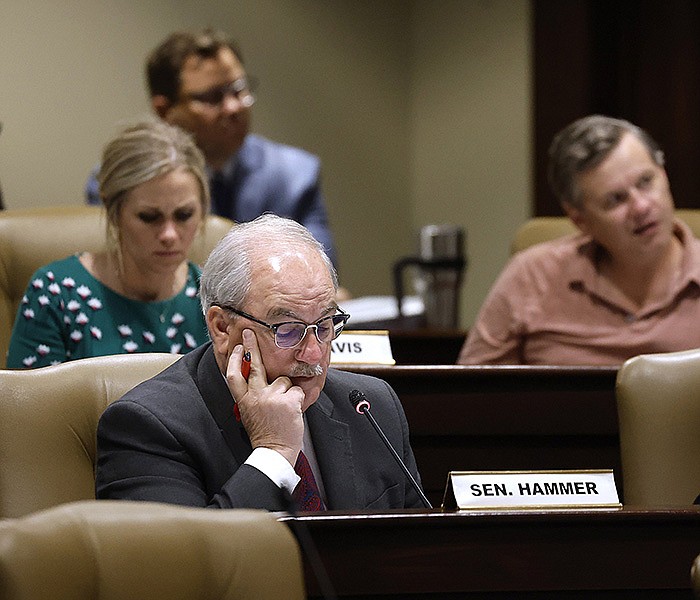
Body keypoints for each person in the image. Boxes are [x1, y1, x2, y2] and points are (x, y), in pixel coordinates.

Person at [95, 214, 425, 511]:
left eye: (324, 326)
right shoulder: (148, 427)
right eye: (287, 330)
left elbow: (419, 553)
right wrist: (274, 453)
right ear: (222, 327)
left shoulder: (372, 409)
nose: (312, 353)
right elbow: (180, 569)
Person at [84, 28, 338, 269]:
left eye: (239, 90)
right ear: (164, 110)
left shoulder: (296, 176)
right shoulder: (122, 182)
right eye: (212, 98)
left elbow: (321, 275)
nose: (233, 108)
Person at [459, 114, 700, 366]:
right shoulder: (531, 276)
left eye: (646, 182)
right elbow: (468, 393)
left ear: (664, 174)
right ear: (579, 220)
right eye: (616, 199)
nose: (641, 206)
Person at [7, 119, 210, 369]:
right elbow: (28, 406)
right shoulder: (56, 293)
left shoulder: (214, 299)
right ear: (113, 212)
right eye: (149, 217)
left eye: (184, 215)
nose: (169, 234)